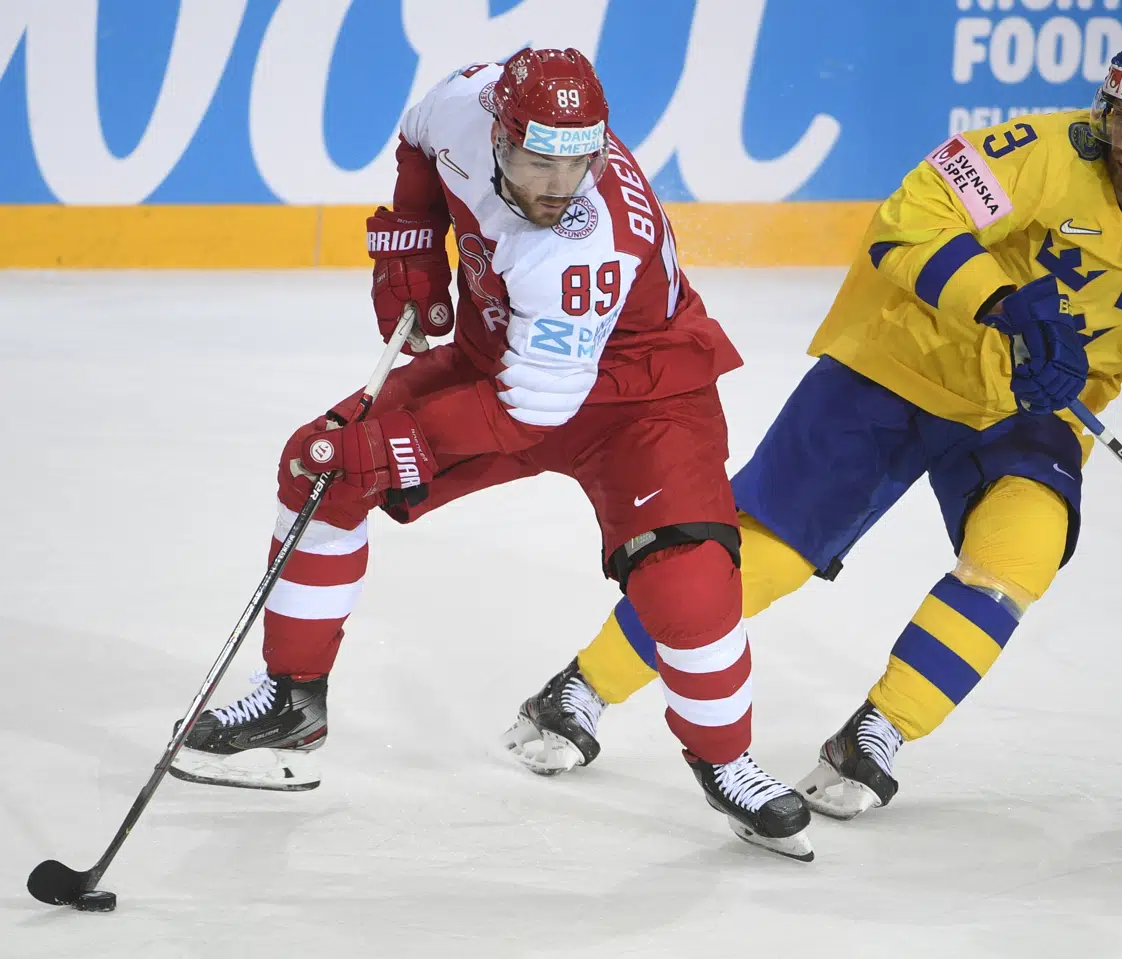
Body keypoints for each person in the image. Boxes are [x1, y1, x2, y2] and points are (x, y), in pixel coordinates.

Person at [504, 25, 1122, 820]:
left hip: (1028, 411)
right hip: (902, 361)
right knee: (762, 553)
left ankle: (878, 731)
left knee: (1023, 550)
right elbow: (909, 219)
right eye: (1119, 114)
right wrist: (1001, 305)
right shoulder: (1038, 151)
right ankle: (581, 687)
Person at [168, 48, 813, 861]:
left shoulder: (583, 247)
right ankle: (291, 706)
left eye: (576, 166)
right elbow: (415, 144)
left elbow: (527, 414)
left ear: (603, 148)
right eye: (536, 163)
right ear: (497, 133)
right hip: (498, 357)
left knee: (685, 586)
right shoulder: (461, 104)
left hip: (641, 399)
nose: (555, 188)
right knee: (317, 468)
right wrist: (409, 244)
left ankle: (730, 760)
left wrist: (394, 445)